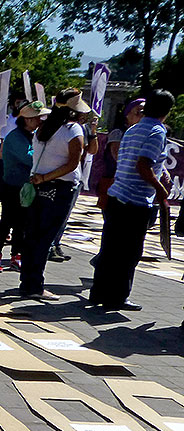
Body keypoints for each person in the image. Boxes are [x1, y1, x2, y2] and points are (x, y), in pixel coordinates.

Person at [88, 89, 175, 311]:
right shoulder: (157, 131)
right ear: (166, 112)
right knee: (129, 253)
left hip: (117, 194)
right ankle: (117, 297)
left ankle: (98, 292)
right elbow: (144, 165)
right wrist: (160, 189)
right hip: (136, 200)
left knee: (109, 248)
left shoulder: (134, 129)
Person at [18, 91, 88, 299]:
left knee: (32, 235)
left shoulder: (43, 129)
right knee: (45, 238)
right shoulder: (72, 129)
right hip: (59, 188)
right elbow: (72, 164)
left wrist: (42, 178)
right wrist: (47, 177)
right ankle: (35, 285)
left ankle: (27, 281)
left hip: (38, 185)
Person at [0, 100, 49, 271]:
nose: (40, 121)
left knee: (22, 224)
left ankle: (16, 255)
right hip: (12, 186)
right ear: (27, 119)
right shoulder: (15, 137)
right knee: (7, 221)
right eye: (37, 118)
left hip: (27, 186)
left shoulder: (33, 135)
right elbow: (29, 158)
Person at [48, 89, 99, 262]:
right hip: (60, 179)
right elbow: (71, 162)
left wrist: (93, 132)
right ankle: (49, 246)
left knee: (62, 217)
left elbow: (92, 150)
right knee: (53, 218)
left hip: (58, 178)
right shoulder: (69, 128)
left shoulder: (80, 128)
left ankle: (55, 244)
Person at [97, 97, 144, 209]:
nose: (142, 116)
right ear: (127, 114)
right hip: (113, 180)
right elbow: (117, 156)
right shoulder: (118, 133)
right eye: (139, 112)